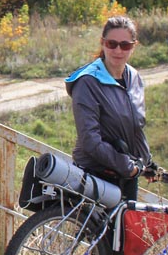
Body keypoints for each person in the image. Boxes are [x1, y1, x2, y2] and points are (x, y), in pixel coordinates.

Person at [65, 15, 152, 200]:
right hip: (95, 176)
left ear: (134, 46)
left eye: (125, 45)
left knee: (128, 221)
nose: (118, 50)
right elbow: (90, 139)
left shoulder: (134, 78)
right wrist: (127, 166)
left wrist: (146, 161)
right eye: (112, 44)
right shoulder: (88, 82)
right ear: (102, 43)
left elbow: (135, 127)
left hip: (126, 176)